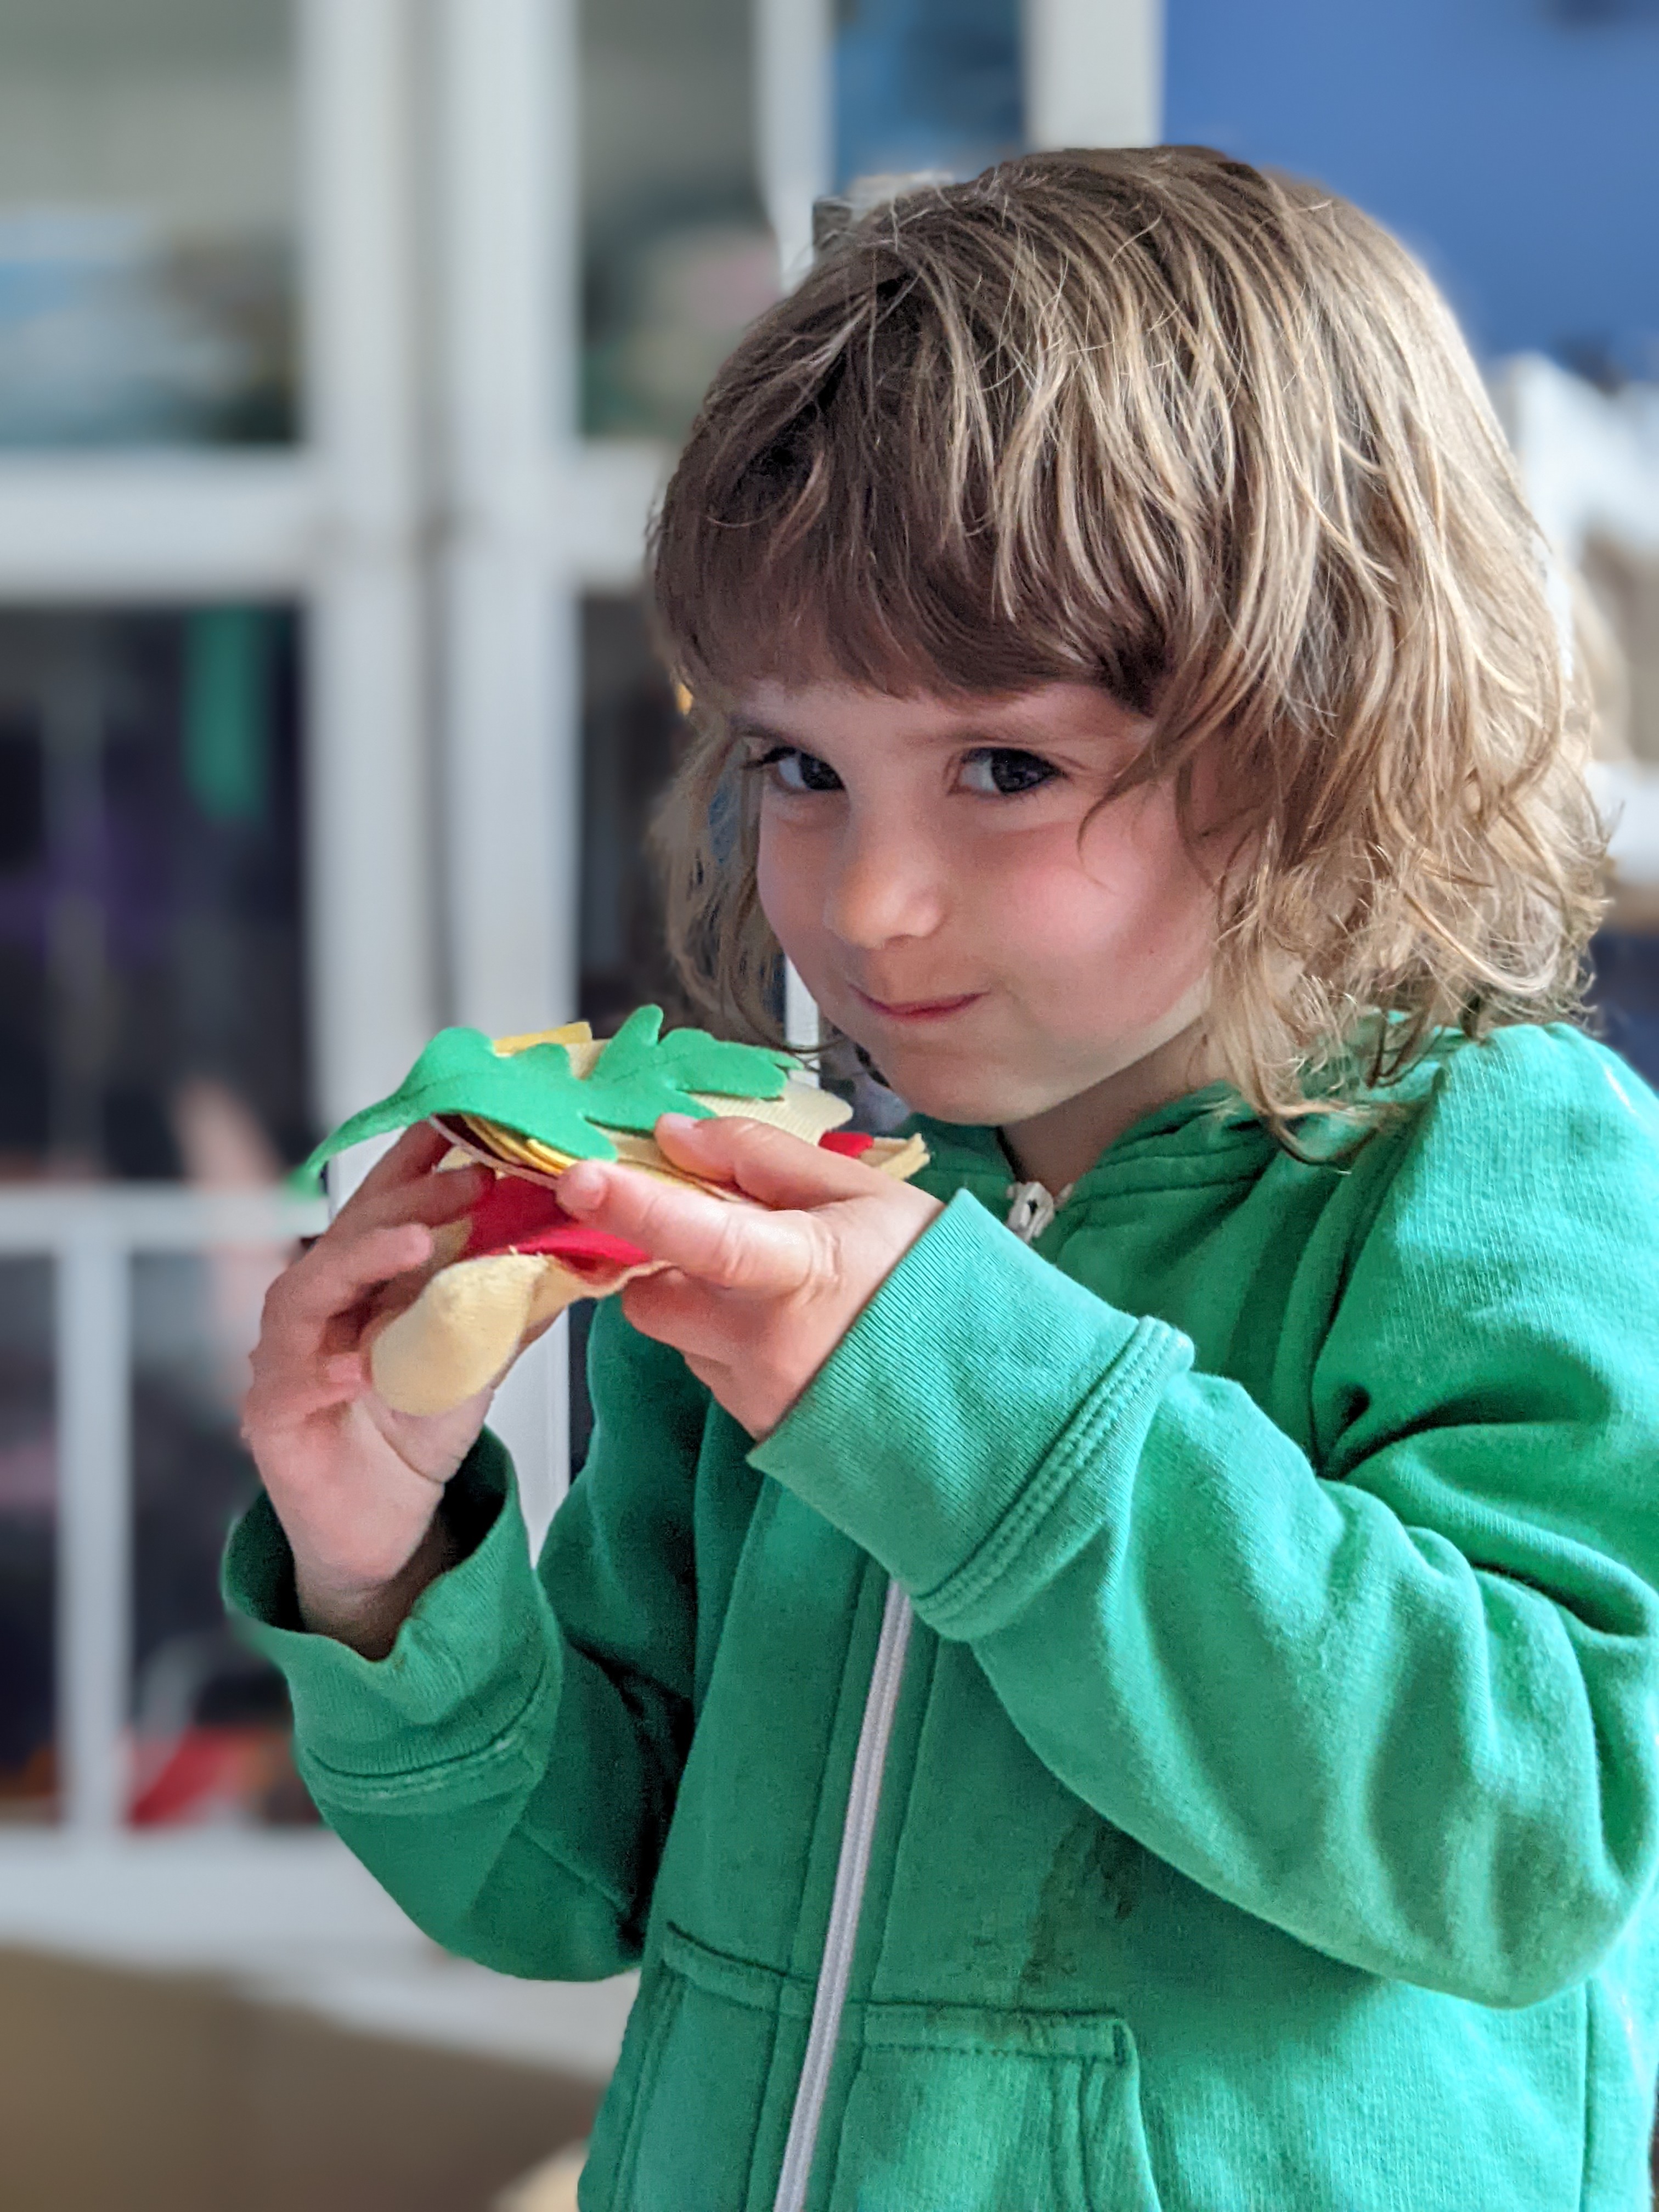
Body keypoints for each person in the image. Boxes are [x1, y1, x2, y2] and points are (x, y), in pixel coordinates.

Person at [229, 149, 1659, 2211]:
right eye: (801, 769)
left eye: (1008, 769)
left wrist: (946, 1383)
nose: (869, 906)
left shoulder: (1497, 1173)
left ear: (1328, 726)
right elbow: (569, 1888)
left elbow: (1523, 1844)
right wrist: (391, 1574)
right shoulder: (796, 1196)